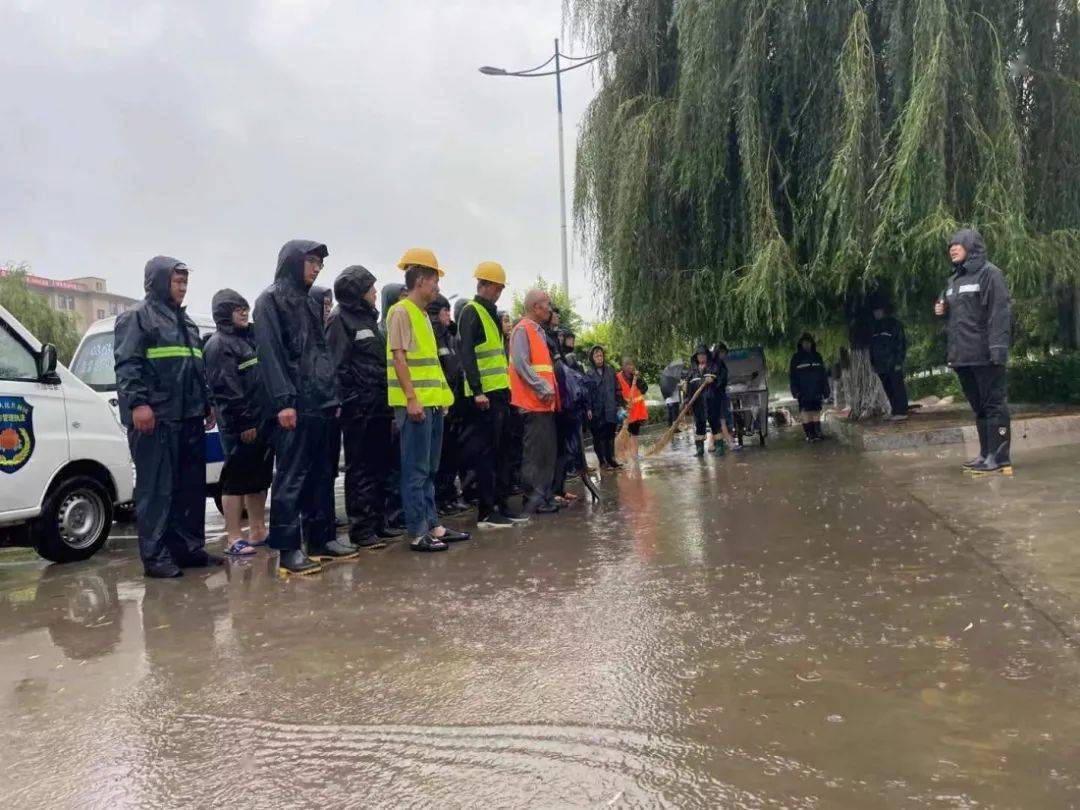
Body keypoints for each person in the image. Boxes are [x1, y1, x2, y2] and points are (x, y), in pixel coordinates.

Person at [114, 256, 219, 578]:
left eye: (186, 282)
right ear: (159, 281)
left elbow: (196, 367)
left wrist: (207, 402)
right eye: (177, 281)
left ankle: (187, 549)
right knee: (156, 489)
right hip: (156, 418)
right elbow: (127, 364)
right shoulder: (137, 318)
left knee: (189, 487)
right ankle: (156, 557)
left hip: (188, 416)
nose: (183, 288)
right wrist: (137, 405)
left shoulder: (185, 323)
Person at [254, 240, 355, 576]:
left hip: (320, 403)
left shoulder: (309, 303)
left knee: (322, 475)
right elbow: (270, 355)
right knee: (292, 477)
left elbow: (322, 354)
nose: (315, 269)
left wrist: (332, 397)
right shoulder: (270, 301)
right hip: (294, 405)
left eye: (319, 264)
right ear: (293, 262)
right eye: (310, 262)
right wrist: (284, 401)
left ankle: (321, 539)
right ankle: (287, 549)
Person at [386, 248, 470, 551]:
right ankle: (418, 530)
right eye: (435, 281)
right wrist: (411, 399)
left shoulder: (422, 315)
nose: (437, 288)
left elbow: (431, 365)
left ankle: (433, 525)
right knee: (416, 470)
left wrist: (442, 399)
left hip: (432, 404)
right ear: (420, 280)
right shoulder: (401, 312)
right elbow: (399, 358)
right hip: (416, 406)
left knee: (430, 470)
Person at [326, 265, 400, 549]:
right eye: (371, 288)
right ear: (358, 292)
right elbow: (337, 367)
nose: (375, 292)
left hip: (380, 406)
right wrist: (351, 402)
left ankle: (379, 523)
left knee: (380, 467)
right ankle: (362, 529)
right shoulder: (340, 320)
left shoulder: (369, 322)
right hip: (359, 410)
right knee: (360, 470)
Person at [935, 228, 1013, 475]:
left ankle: (999, 458)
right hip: (963, 355)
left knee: (994, 406)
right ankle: (984, 454)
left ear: (972, 246)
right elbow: (958, 314)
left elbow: (999, 314)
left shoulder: (990, 274)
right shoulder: (954, 280)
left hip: (985, 354)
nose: (952, 249)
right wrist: (942, 309)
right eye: (950, 246)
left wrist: (998, 349)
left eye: (958, 244)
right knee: (979, 407)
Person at [203, 289, 273, 557]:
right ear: (224, 314)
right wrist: (244, 422)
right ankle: (234, 537)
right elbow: (226, 388)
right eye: (237, 309)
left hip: (261, 421)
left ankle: (258, 530)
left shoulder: (249, 340)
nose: (244, 312)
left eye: (245, 307)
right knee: (235, 480)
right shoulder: (220, 345)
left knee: (258, 478)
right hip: (239, 426)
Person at [457, 261, 526, 529]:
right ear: (482, 285)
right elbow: (467, 355)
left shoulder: (491, 314)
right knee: (485, 455)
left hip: (499, 394)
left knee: (502, 453)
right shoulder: (471, 312)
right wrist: (477, 390)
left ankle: (500, 505)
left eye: (500, 289)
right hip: (483, 397)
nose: (499, 293)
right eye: (496, 288)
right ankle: (487, 511)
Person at [509, 289, 561, 513]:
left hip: (543, 403)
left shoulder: (537, 331)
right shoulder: (522, 329)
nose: (549, 309)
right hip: (532, 403)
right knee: (535, 455)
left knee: (546, 453)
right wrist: (542, 387)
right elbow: (521, 364)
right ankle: (534, 499)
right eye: (546, 304)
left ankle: (545, 496)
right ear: (535, 307)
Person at [311, 285, 348, 531]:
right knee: (316, 470)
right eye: (322, 304)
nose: (326, 309)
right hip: (314, 410)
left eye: (328, 304)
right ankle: (317, 521)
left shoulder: (327, 330)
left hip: (331, 407)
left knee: (329, 467)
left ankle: (328, 518)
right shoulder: (311, 333)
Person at [428, 293, 467, 515]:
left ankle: (449, 497)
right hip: (441, 405)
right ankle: (441, 499)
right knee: (441, 457)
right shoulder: (434, 333)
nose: (449, 316)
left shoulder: (448, 336)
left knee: (451, 455)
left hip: (453, 406)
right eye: (446, 311)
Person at [870, 305, 909, 421]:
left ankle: (902, 411)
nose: (876, 313)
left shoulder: (894, 324)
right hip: (880, 365)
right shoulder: (875, 327)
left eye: (878, 310)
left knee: (897, 386)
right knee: (888, 388)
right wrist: (872, 363)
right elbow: (872, 347)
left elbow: (901, 344)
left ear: (884, 310)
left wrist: (898, 361)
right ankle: (894, 410)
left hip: (892, 363)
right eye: (874, 311)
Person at [789, 333, 830, 442]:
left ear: (812, 344)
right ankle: (809, 434)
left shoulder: (817, 356)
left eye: (809, 342)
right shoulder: (796, 358)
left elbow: (823, 374)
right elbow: (792, 376)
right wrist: (795, 391)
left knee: (816, 410)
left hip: (816, 388)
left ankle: (818, 432)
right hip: (803, 390)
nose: (807, 345)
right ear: (801, 344)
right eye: (804, 343)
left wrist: (825, 390)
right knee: (805, 411)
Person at [586, 345, 622, 469]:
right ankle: (602, 461)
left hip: (610, 408)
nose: (599, 358)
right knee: (599, 436)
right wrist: (588, 408)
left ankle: (611, 458)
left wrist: (619, 404)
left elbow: (617, 388)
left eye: (601, 355)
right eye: (596, 356)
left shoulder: (610, 370)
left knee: (610, 434)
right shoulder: (589, 373)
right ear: (592, 358)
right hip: (597, 410)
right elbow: (587, 392)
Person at [685, 345, 725, 457]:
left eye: (703, 355)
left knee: (714, 423)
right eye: (699, 355)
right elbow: (689, 388)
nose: (701, 357)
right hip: (698, 403)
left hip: (712, 400)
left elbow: (722, 380)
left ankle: (719, 447)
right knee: (699, 424)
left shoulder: (714, 367)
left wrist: (714, 380)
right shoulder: (692, 371)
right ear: (696, 357)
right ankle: (699, 449)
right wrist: (687, 401)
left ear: (707, 356)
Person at [615, 358, 648, 459]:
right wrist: (621, 406)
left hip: (636, 411)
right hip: (625, 411)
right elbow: (616, 393)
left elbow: (644, 389)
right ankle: (621, 455)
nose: (630, 367)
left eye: (632, 365)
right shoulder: (617, 377)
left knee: (634, 434)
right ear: (623, 367)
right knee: (623, 433)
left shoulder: (636, 378)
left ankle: (635, 454)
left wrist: (638, 379)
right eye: (628, 365)